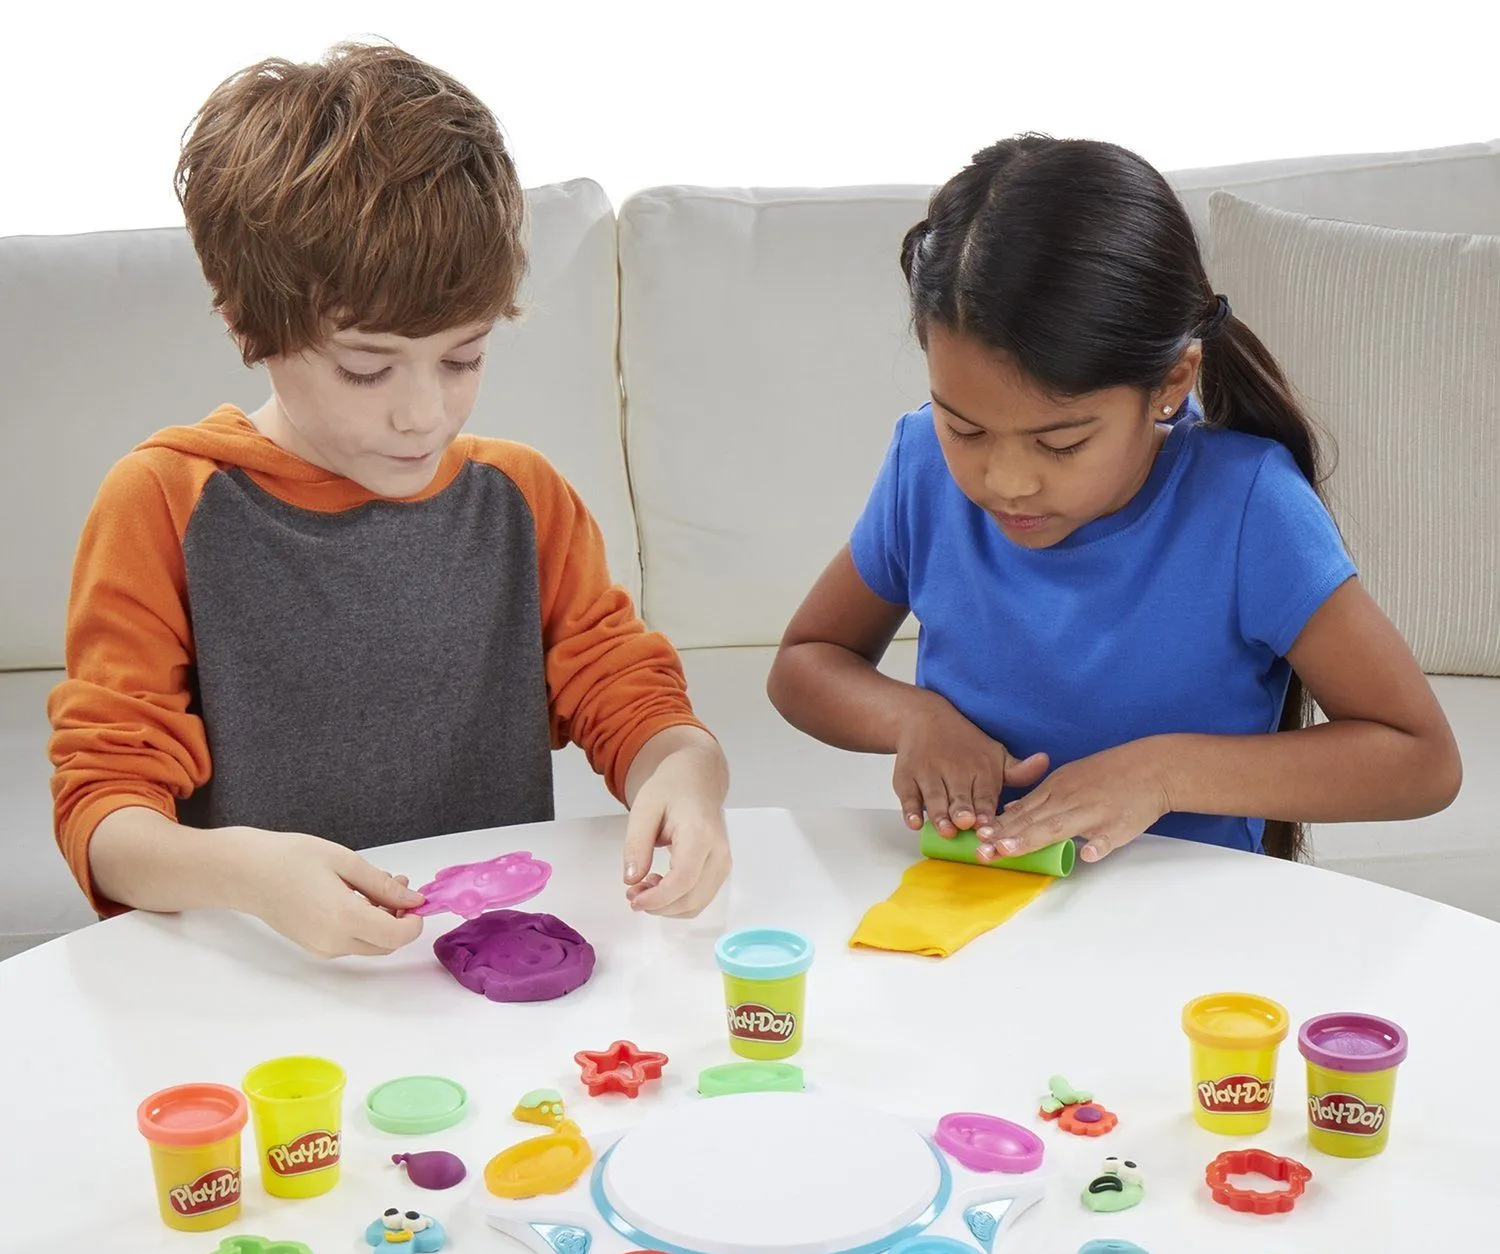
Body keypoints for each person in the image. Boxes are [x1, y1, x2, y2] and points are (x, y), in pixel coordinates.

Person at [47, 44, 730, 958]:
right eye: (367, 370)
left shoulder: (521, 501)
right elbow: (106, 816)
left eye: (462, 358)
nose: (423, 414)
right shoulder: (165, 504)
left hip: (481, 974)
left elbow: (630, 699)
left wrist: (687, 773)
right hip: (261, 970)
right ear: (246, 322)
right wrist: (248, 875)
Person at [768, 135, 1460, 865]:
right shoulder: (922, 467)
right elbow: (807, 661)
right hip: (972, 895)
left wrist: (1161, 775)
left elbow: (1420, 760)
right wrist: (913, 718)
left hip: (1193, 907)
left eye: (1060, 443)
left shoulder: (1247, 508)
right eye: (964, 429)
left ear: (1171, 384)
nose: (1007, 481)